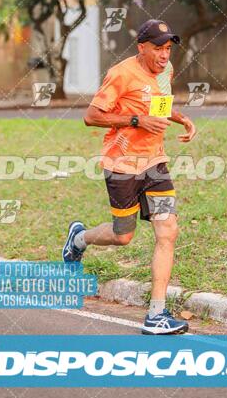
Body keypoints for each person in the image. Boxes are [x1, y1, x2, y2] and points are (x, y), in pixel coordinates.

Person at [63, 19, 196, 334]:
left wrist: (180, 119)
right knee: (123, 235)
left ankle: (156, 314)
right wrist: (137, 120)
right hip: (121, 164)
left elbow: (159, 108)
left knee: (168, 231)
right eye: (158, 48)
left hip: (155, 164)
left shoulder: (166, 70)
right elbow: (91, 116)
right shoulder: (121, 73)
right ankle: (79, 238)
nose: (164, 55)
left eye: (167, 48)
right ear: (142, 47)